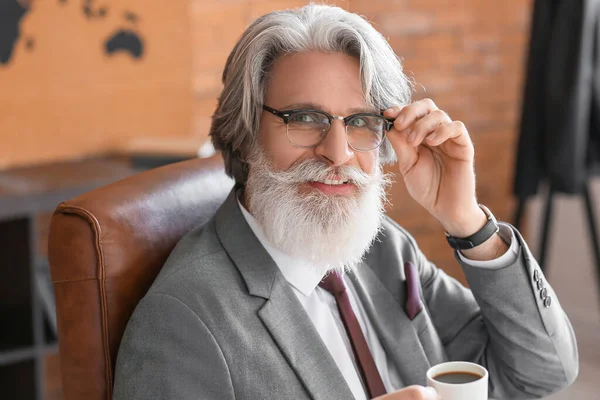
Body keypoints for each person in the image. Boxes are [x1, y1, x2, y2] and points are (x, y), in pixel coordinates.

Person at [113, 4, 578, 400]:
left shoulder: (383, 251)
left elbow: (542, 372)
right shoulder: (183, 319)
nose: (337, 153)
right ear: (245, 131)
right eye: (305, 118)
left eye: (360, 121)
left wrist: (468, 222)